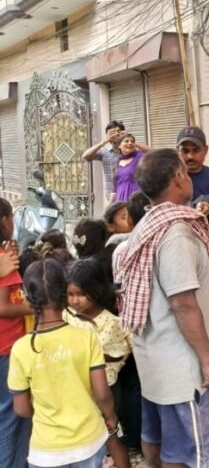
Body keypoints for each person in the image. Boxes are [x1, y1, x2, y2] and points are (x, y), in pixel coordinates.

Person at [117, 149, 209, 467]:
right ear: (178, 178)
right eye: (185, 172)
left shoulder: (146, 224)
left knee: (158, 441)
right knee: (190, 454)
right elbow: (183, 303)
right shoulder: (175, 232)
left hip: (154, 360)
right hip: (181, 367)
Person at [8, 258, 125, 468]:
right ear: (64, 295)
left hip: (46, 450)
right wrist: (110, 417)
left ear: (27, 297)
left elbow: (22, 409)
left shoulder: (20, 349)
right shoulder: (86, 338)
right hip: (89, 441)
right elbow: (102, 393)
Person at [65, 259, 133, 466]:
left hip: (106, 387)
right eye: (70, 294)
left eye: (80, 294)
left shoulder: (113, 322)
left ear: (96, 290)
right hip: (77, 387)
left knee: (111, 433)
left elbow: (124, 352)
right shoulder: (67, 316)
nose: (75, 300)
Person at [0, 197, 31, 468]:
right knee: (11, 415)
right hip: (6, 347)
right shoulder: (4, 262)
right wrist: (34, 308)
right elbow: (3, 308)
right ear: (5, 220)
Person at [83, 120, 149, 205]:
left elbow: (151, 153)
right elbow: (86, 156)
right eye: (112, 133)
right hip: (113, 196)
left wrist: (129, 140)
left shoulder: (133, 152)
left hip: (133, 194)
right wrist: (104, 141)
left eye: (118, 131)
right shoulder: (105, 152)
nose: (116, 134)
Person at [177, 126, 209, 227]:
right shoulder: (169, 177)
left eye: (196, 150)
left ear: (206, 150)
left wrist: (208, 209)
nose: (190, 156)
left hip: (203, 234)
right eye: (185, 151)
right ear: (177, 151)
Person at [113, 133, 144, 202]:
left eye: (132, 141)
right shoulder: (117, 162)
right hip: (120, 199)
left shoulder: (140, 157)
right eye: (126, 141)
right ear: (119, 146)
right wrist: (109, 206)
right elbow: (114, 188)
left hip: (136, 199)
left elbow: (152, 152)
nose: (130, 143)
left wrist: (136, 144)